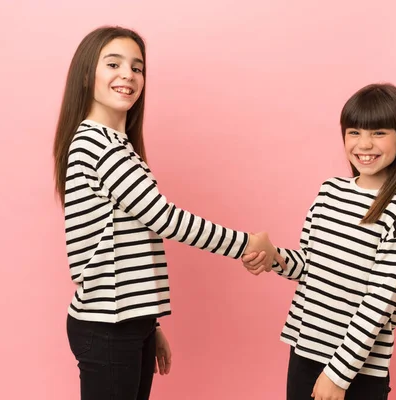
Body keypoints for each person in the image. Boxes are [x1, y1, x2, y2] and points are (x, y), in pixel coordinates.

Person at [52, 25, 283, 400]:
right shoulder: (97, 142)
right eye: (113, 63)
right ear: (85, 74)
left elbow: (128, 240)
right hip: (108, 324)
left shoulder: (118, 144)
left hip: (126, 320)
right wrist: (246, 244)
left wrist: (149, 322)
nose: (128, 74)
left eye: (137, 67)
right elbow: (164, 218)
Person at [243, 83, 396, 400]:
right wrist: (274, 257)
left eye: (379, 132)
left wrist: (338, 375)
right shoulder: (330, 192)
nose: (364, 143)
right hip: (305, 350)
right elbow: (310, 265)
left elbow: (381, 301)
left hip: (356, 367)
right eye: (354, 132)